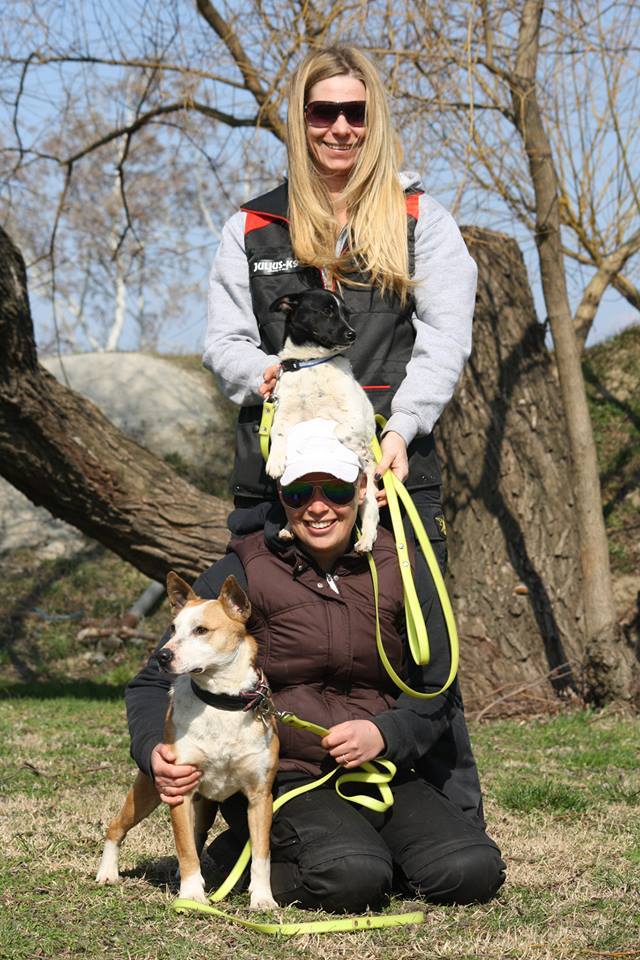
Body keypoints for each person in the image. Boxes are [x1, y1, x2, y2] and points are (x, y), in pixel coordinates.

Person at [126, 420, 506, 912]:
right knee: (351, 878)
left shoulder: (403, 564)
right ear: (282, 497)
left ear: (363, 488)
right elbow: (151, 682)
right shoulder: (244, 569)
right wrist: (152, 752)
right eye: (300, 492)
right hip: (285, 775)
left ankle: (364, 851)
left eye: (337, 490)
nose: (319, 506)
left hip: (379, 769)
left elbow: (437, 687)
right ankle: (250, 854)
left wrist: (385, 733)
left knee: (471, 870)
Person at [202, 44, 476, 575]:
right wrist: (270, 376)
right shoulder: (250, 227)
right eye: (324, 112)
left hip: (390, 474)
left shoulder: (421, 219)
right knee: (247, 626)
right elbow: (224, 343)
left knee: (415, 627)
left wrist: (401, 428)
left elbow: (445, 340)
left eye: (357, 112)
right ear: (302, 119)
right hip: (279, 486)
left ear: (375, 121)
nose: (341, 128)